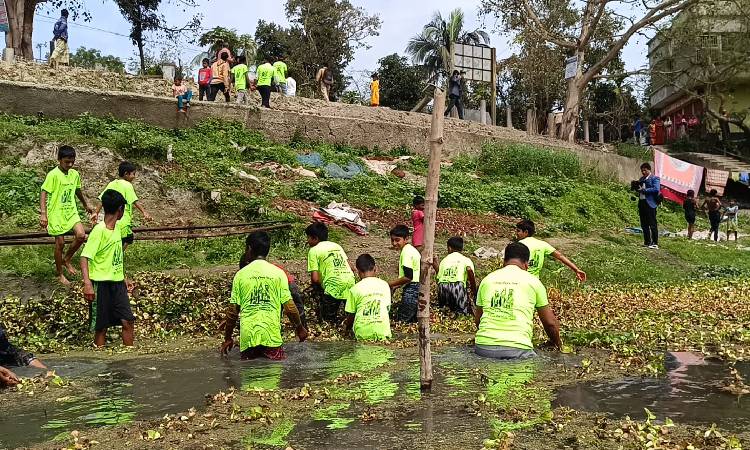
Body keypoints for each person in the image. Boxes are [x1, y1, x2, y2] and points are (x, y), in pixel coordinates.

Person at [221, 231, 307, 360]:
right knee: (273, 374)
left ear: (249, 249)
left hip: (248, 338)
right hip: (271, 337)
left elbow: (233, 311)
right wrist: (299, 328)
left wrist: (228, 338)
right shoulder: (278, 273)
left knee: (250, 374)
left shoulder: (240, 275)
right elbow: (289, 307)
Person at [474, 242, 562, 360]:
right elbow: (550, 323)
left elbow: (478, 319)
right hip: (517, 349)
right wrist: (557, 344)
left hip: (482, 348)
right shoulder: (533, 282)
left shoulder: (487, 280)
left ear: (504, 261)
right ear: (527, 264)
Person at [81, 190, 134, 348]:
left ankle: (129, 354)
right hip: (100, 284)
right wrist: (87, 284)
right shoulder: (99, 231)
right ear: (120, 209)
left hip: (117, 283)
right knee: (101, 327)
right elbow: (84, 258)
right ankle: (100, 358)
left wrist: (123, 277)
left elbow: (114, 256)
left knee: (128, 320)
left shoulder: (117, 229)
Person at [40, 145, 96, 285]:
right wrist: (43, 214)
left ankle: (66, 259)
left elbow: (77, 190)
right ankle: (59, 274)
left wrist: (85, 204)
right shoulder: (53, 175)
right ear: (59, 160)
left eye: (72, 161)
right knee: (60, 243)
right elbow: (43, 192)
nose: (70, 164)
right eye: (67, 162)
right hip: (56, 212)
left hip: (71, 211)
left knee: (81, 235)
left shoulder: (74, 174)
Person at [93, 161, 152, 251]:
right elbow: (134, 201)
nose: (134, 176)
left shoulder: (112, 183)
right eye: (133, 174)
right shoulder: (127, 185)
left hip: (110, 219)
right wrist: (144, 212)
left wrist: (96, 212)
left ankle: (115, 255)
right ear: (126, 174)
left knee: (120, 239)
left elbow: (102, 199)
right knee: (125, 240)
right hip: (123, 220)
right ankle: (117, 256)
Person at [305, 223, 356, 323]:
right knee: (349, 315)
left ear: (315, 238)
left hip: (333, 285)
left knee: (328, 320)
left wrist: (318, 291)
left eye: (308, 237)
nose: (307, 240)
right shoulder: (337, 246)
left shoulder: (314, 251)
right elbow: (351, 267)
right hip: (350, 282)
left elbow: (315, 279)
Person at [515, 220, 586, 282]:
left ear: (526, 232)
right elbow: (560, 256)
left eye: (518, 231)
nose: (516, 233)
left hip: (520, 281)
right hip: (535, 282)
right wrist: (576, 269)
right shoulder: (542, 244)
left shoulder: (518, 245)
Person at [343, 254, 392, 341]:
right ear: (375, 269)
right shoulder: (385, 285)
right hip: (383, 331)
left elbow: (351, 315)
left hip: (363, 333)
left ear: (358, 272)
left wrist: (346, 330)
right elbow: (387, 309)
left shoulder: (354, 289)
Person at [432, 237, 477, 315]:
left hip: (442, 286)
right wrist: (473, 290)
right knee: (461, 312)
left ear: (449, 248)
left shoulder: (444, 260)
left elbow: (439, 276)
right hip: (457, 286)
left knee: (445, 311)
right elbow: (469, 270)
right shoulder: (466, 260)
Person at [388, 225, 421, 323]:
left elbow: (408, 277)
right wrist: (396, 286)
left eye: (397, 240)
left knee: (402, 321)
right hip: (416, 287)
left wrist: (390, 284)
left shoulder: (406, 252)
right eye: (392, 240)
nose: (394, 243)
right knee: (412, 322)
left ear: (406, 239)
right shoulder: (410, 250)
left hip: (413, 289)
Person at [637, 162, 661, 249]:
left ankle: (655, 242)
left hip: (650, 203)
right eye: (642, 170)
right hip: (642, 202)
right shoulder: (641, 179)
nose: (643, 172)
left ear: (649, 170)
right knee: (644, 224)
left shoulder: (655, 178)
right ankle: (647, 241)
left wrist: (644, 190)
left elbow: (656, 189)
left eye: (645, 170)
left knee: (652, 224)